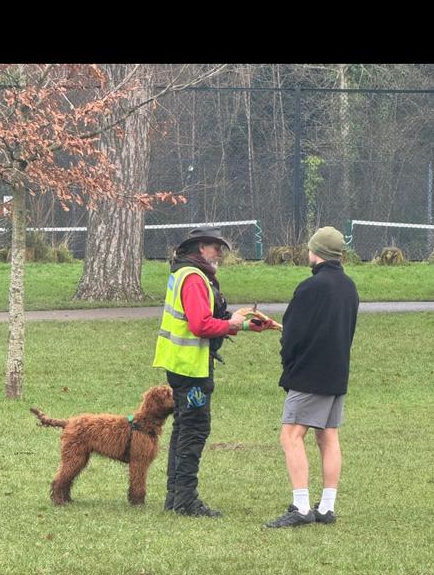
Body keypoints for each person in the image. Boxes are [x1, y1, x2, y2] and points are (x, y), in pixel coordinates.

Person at [153, 227, 269, 517]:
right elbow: (200, 325)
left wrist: (233, 318)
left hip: (180, 362)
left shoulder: (184, 273)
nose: (220, 253)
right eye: (215, 247)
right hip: (190, 367)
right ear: (199, 248)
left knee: (183, 429)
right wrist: (236, 325)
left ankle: (175, 497)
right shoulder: (193, 278)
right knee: (193, 431)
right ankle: (186, 501)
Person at [264, 226, 359, 529]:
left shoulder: (309, 288)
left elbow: (293, 335)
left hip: (309, 374)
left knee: (291, 435)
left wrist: (289, 361)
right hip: (336, 371)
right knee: (328, 434)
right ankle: (327, 506)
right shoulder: (349, 287)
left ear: (316, 252)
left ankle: (302, 506)